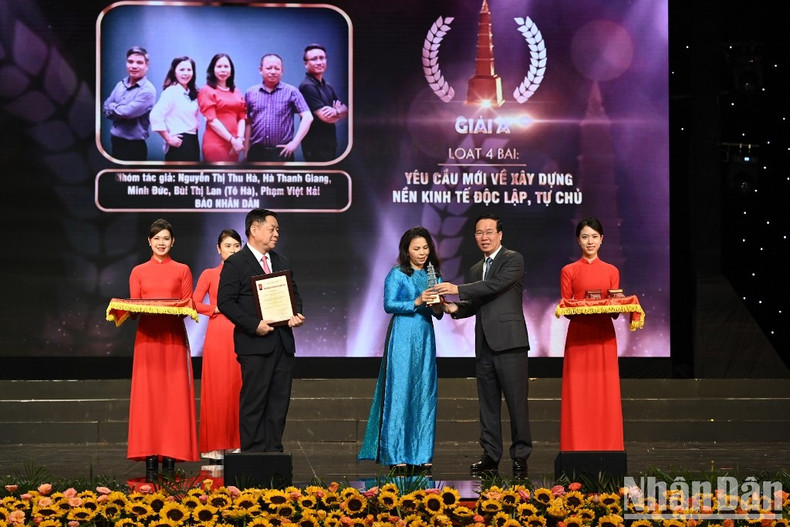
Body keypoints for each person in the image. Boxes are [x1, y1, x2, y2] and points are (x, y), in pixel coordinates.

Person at [433, 213, 532, 478]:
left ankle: (520, 457)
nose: (484, 237)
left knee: (516, 404)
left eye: (489, 232)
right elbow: (477, 303)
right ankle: (490, 455)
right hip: (485, 345)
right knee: (487, 405)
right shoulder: (476, 269)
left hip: (510, 344)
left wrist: (457, 288)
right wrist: (453, 307)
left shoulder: (513, 259)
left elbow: (494, 286)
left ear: (500, 235)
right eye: (479, 232)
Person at [217, 208, 305, 452]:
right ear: (254, 230)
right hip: (254, 344)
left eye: (278, 230)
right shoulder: (235, 263)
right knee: (254, 402)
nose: (277, 234)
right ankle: (254, 457)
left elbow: (294, 294)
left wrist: (295, 314)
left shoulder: (281, 261)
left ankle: (274, 454)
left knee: (279, 404)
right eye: (272, 228)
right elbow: (225, 302)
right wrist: (254, 325)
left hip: (283, 344)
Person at [358, 227, 444, 473]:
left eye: (425, 248)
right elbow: (389, 305)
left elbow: (437, 315)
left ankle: (421, 453)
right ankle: (396, 453)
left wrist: (438, 305)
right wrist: (417, 301)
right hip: (403, 336)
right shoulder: (397, 274)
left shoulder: (433, 274)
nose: (422, 253)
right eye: (416, 248)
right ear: (406, 250)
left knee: (424, 392)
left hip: (425, 337)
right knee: (400, 391)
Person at [127, 219, 198, 481]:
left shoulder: (182, 270)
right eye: (157, 238)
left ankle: (170, 456)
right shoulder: (138, 271)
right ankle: (148, 458)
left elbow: (188, 307)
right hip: (147, 342)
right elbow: (134, 309)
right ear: (149, 241)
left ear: (173, 242)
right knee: (149, 398)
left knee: (173, 397)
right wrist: (123, 309)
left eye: (166, 238)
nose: (161, 243)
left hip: (173, 341)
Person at [559, 217, 624, 451]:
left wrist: (614, 306)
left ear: (602, 240)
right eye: (585, 236)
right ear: (578, 240)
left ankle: (609, 446)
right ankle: (577, 447)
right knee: (578, 394)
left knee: (605, 393)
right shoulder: (569, 270)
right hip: (578, 337)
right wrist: (583, 308)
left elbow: (615, 309)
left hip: (604, 336)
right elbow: (566, 307)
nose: (590, 241)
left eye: (595, 237)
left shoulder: (611, 271)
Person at [192, 229, 243, 463]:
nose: (232, 250)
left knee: (238, 388)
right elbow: (192, 302)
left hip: (242, 331)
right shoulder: (210, 274)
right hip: (217, 333)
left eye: (236, 246)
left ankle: (237, 443)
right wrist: (215, 308)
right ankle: (214, 446)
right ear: (218, 249)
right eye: (227, 245)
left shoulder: (246, 273)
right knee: (217, 389)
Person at [245, 54, 313, 162]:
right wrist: (246, 150)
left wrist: (295, 143)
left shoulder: (292, 91)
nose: (273, 71)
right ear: (260, 70)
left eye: (277, 68)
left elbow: (308, 117)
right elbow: (248, 122)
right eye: (268, 68)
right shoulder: (251, 93)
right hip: (256, 152)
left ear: (282, 71)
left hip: (282, 153)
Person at [103, 46, 156, 161]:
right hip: (115, 141)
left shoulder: (148, 90)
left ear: (147, 65)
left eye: (139, 62)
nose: (134, 66)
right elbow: (105, 107)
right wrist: (117, 109)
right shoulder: (120, 84)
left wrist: (113, 107)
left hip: (134, 147)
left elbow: (128, 113)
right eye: (130, 62)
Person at [298, 44, 348, 162]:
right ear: (306, 64)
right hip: (314, 146)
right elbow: (326, 118)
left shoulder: (328, 86)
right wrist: (340, 114)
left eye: (322, 58)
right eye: (314, 59)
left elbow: (347, 109)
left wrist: (336, 111)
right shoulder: (307, 86)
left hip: (330, 142)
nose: (319, 62)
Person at [150, 56, 201, 161]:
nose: (185, 73)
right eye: (182, 69)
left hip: (193, 140)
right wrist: (168, 138)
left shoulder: (192, 93)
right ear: (174, 72)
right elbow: (155, 116)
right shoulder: (171, 91)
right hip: (180, 142)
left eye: (189, 70)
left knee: (193, 176)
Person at [198, 53, 246, 162]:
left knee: (231, 177)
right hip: (215, 144)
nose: (223, 70)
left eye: (226, 67)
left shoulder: (236, 92)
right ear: (212, 70)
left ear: (231, 70)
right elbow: (212, 121)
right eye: (219, 67)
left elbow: (242, 117)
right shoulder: (206, 90)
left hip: (235, 146)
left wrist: (239, 139)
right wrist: (232, 140)